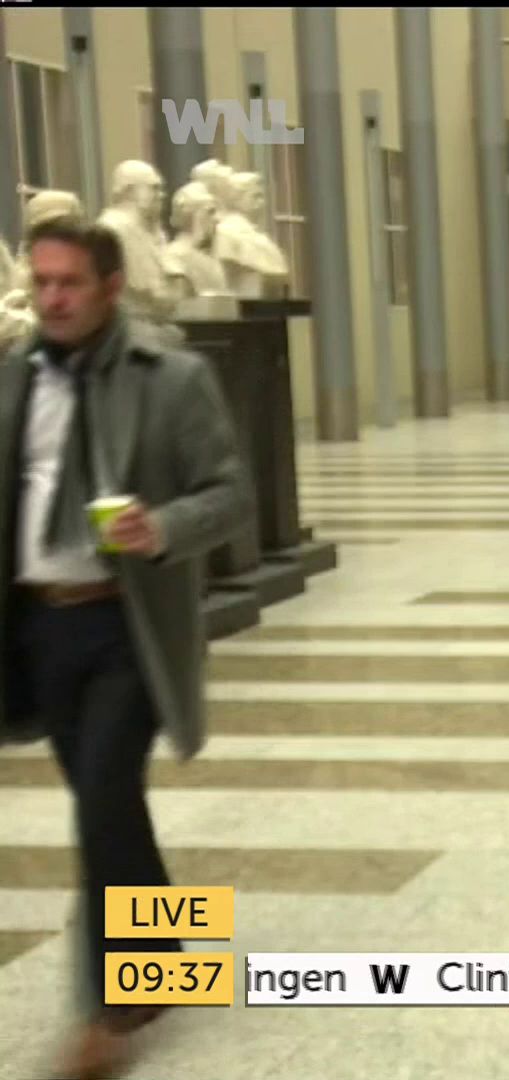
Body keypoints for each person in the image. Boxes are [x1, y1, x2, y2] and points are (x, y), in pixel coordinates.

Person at [0, 216, 252, 1079]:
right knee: (110, 803)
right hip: (40, 624)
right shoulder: (15, 379)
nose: (53, 298)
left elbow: (231, 494)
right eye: (42, 282)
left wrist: (163, 526)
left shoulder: (172, 378)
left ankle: (106, 1012)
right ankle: (167, 958)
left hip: (128, 625)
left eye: (70, 282)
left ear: (110, 287)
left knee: (102, 800)